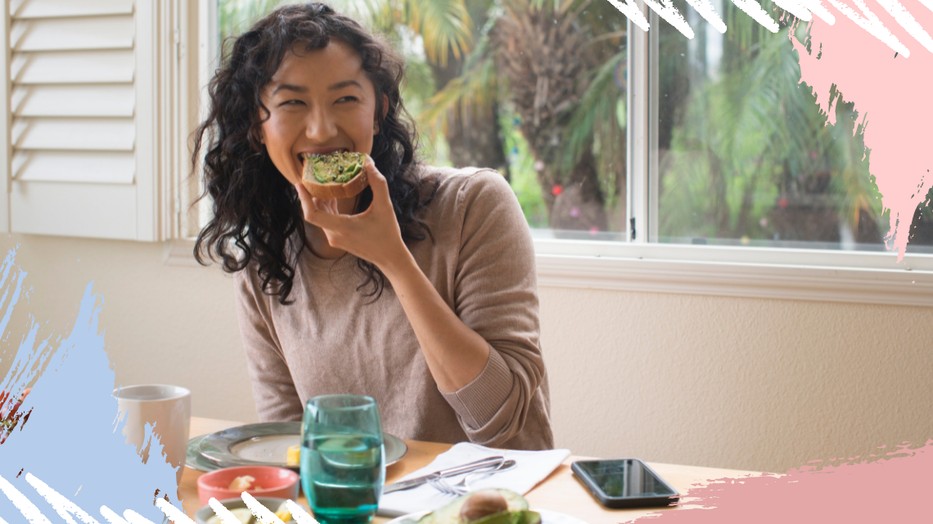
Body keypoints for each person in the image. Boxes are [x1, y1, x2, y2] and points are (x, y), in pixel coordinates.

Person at [192, 2, 553, 450]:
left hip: (495, 492)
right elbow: (292, 445)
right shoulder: (265, 260)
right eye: (293, 103)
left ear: (378, 111)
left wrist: (394, 259)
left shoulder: (473, 205)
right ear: (256, 125)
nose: (322, 130)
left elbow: (500, 420)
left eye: (345, 99)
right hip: (361, 494)